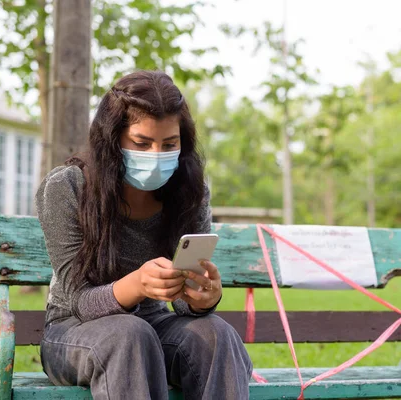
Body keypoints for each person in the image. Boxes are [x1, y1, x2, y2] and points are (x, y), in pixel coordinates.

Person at [35, 70, 253, 400]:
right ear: (113, 139)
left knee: (215, 334)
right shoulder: (67, 187)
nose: (156, 155)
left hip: (153, 328)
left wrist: (200, 299)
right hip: (71, 332)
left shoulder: (190, 193)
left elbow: (183, 304)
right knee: (129, 334)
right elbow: (79, 301)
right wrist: (136, 285)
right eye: (141, 143)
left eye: (169, 144)